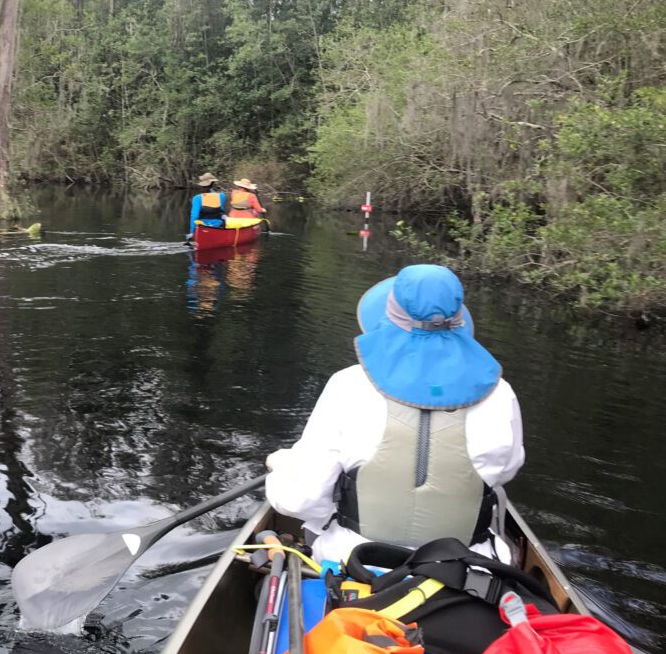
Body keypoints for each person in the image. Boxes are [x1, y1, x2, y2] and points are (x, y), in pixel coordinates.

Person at [264, 264, 524, 564]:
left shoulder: (348, 384)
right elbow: (505, 470)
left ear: (387, 316)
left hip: (353, 564)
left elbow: (302, 501)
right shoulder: (500, 392)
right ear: (459, 318)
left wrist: (281, 468)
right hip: (468, 571)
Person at [186, 173, 227, 241]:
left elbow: (194, 216)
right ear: (213, 184)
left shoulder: (197, 198)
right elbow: (221, 211)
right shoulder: (222, 196)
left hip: (203, 228)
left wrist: (192, 232)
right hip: (218, 226)